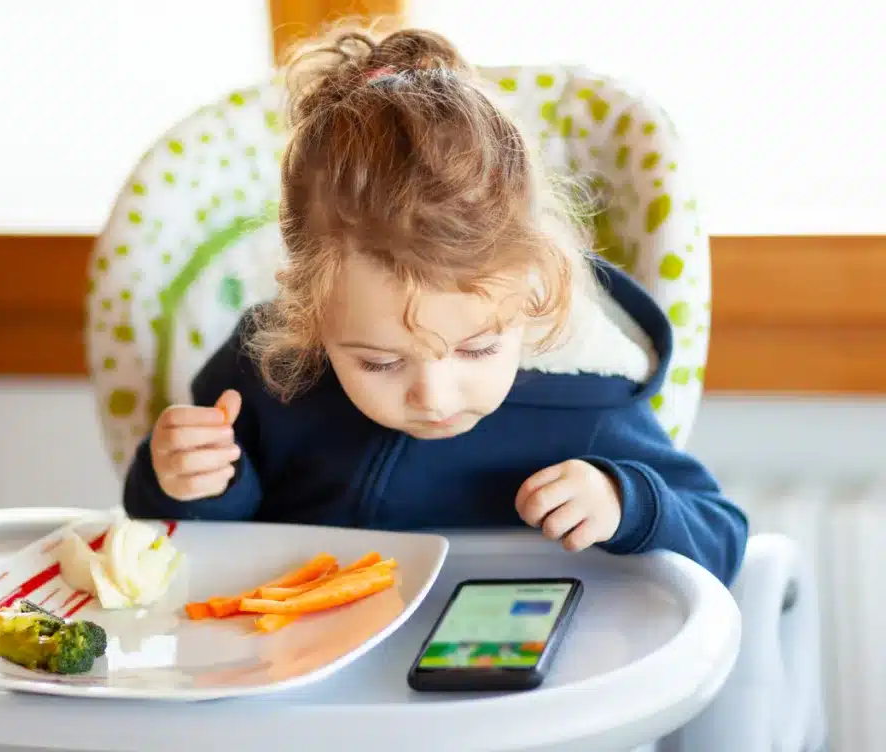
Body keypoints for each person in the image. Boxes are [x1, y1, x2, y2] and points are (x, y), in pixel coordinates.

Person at [123, 26, 748, 586]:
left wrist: (625, 501)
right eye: (379, 363)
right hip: (304, 683)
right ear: (306, 304)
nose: (435, 397)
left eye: (478, 349)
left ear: (532, 287)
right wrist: (191, 481)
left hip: (506, 694)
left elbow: (721, 537)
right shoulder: (263, 372)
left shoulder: (585, 403)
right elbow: (185, 544)